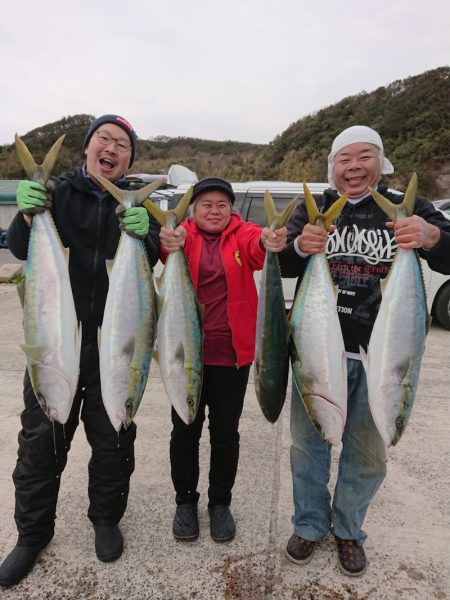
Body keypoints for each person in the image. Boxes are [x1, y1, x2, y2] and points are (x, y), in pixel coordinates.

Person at [278, 125, 450, 576]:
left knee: (368, 452)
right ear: (332, 166)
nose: (353, 167)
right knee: (307, 447)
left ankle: (349, 529)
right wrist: (299, 243)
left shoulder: (412, 208)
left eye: (364, 156)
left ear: (381, 161)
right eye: (344, 159)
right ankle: (310, 525)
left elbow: (449, 253)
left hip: (381, 356)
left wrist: (430, 236)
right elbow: (283, 261)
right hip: (316, 353)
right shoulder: (309, 210)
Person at [0, 114, 160, 588]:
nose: (111, 149)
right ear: (87, 149)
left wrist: (143, 233)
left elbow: (151, 255)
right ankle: (32, 534)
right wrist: (27, 213)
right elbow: (21, 247)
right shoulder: (58, 194)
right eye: (103, 140)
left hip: (112, 341)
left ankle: (105, 518)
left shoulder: (133, 207)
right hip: (56, 339)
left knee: (114, 438)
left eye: (122, 145)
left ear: (130, 159)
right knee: (39, 442)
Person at [159, 176, 287, 543]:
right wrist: (167, 242)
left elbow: (257, 247)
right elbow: (164, 249)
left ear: (231, 208)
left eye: (221, 204)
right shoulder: (181, 235)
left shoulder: (242, 232)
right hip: (185, 356)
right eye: (206, 204)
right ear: (193, 209)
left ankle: (219, 503)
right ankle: (185, 502)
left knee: (225, 435)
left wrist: (268, 239)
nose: (214, 211)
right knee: (184, 431)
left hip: (232, 357)